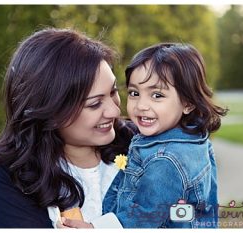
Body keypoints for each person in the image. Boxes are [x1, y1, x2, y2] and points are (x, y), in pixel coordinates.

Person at [0, 28, 133, 228]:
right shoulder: (10, 171)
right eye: (94, 104)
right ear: (51, 110)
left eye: (113, 92)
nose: (114, 111)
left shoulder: (144, 144)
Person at [68, 43, 226, 228]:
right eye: (134, 93)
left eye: (157, 95)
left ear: (188, 104)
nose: (141, 105)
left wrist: (96, 228)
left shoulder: (166, 160)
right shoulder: (194, 138)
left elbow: (147, 215)